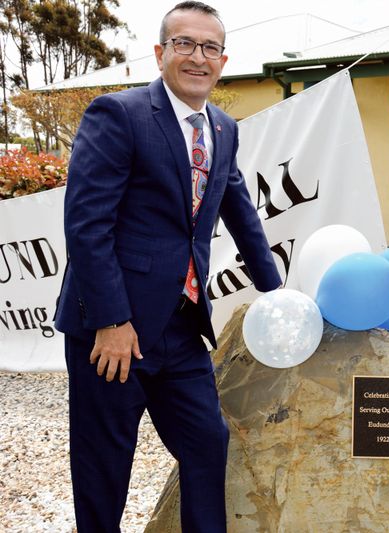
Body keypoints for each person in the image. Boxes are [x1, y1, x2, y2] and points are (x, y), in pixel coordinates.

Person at [53, 2, 282, 531]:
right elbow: (87, 227)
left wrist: (277, 296)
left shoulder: (223, 128)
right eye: (184, 44)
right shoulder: (119, 114)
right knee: (104, 468)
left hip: (181, 325)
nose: (197, 57)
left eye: (209, 48)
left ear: (223, 60)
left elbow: (241, 213)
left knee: (207, 442)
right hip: (112, 330)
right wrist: (111, 321)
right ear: (161, 53)